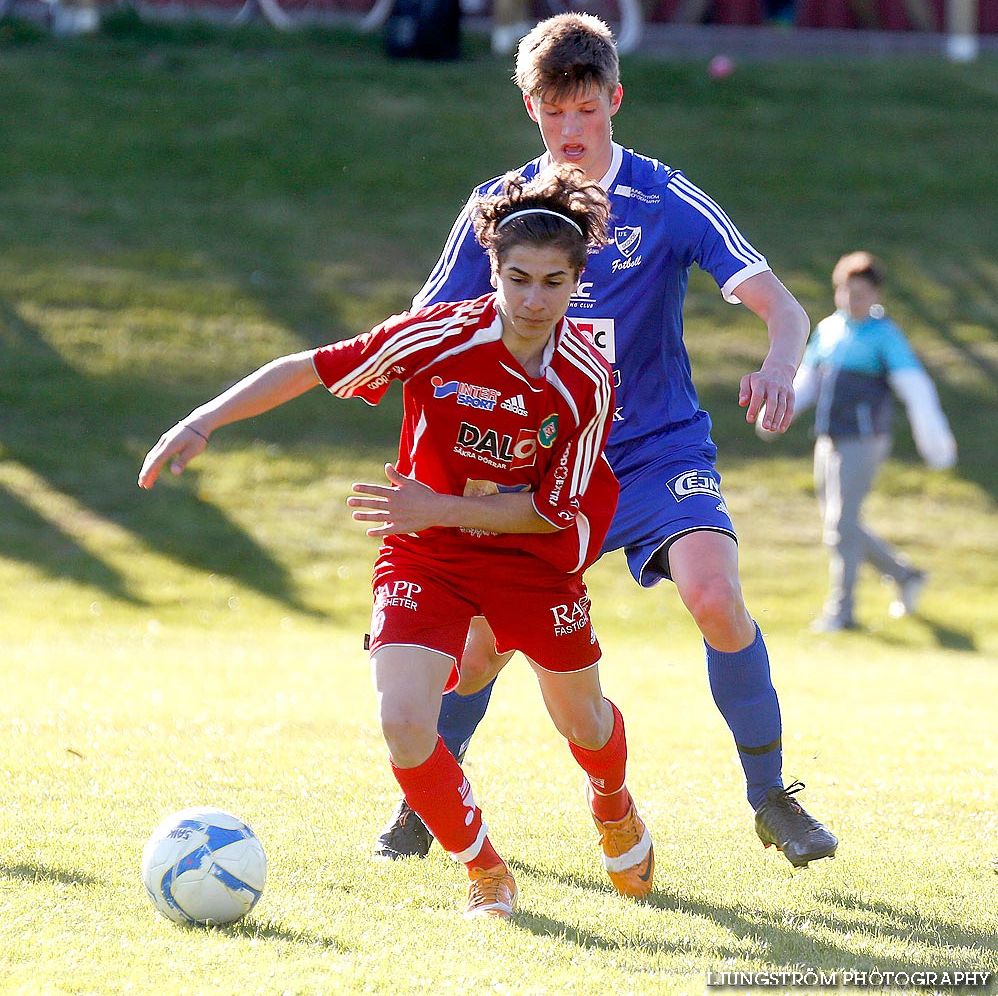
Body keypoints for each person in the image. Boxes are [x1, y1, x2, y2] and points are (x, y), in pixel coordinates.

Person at [373, 12, 838, 870]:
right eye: (554, 113)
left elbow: (786, 305)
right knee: (477, 652)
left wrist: (779, 364)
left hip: (655, 453)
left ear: (615, 100)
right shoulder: (501, 210)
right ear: (530, 109)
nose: (572, 131)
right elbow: (426, 319)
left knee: (714, 593)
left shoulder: (663, 199)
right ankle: (424, 800)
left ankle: (772, 795)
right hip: (534, 467)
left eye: (586, 110)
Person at [138, 165, 656, 919]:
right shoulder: (440, 335)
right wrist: (202, 420)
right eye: (517, 279)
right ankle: (484, 870)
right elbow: (310, 368)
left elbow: (552, 513)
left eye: (552, 282)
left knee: (585, 721)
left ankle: (612, 801)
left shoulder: (587, 379)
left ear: (578, 281)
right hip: (427, 552)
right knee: (404, 722)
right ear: (494, 271)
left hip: (530, 563)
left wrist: (435, 503)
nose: (533, 299)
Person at [774, 250, 956, 633]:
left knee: (841, 523)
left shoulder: (884, 334)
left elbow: (914, 385)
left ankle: (842, 612)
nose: (851, 299)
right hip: (829, 436)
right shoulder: (829, 328)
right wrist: (779, 409)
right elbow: (808, 379)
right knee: (837, 524)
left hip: (865, 438)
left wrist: (933, 435)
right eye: (845, 290)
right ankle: (905, 575)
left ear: (875, 294)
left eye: (860, 292)